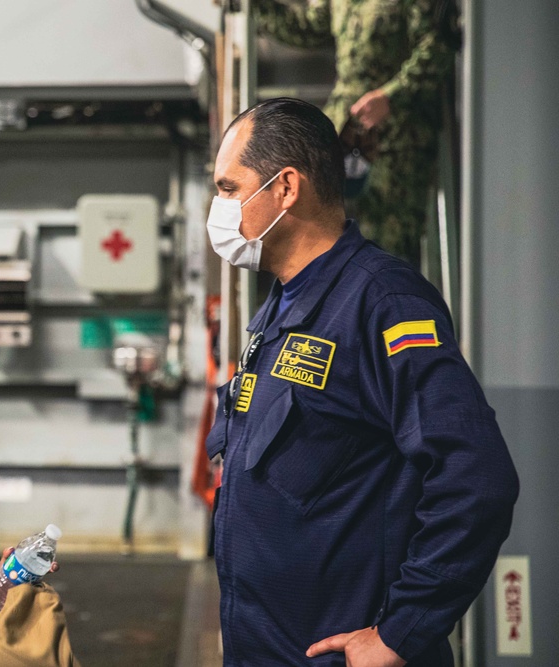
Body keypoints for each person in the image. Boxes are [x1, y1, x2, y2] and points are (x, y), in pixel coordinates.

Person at [204, 98, 518, 666]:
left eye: (229, 188)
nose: (219, 207)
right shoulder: (280, 308)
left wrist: (400, 632)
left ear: (286, 188)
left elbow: (477, 479)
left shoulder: (383, 302)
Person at [252, 0, 458, 267]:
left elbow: (438, 46)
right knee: (324, 241)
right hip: (342, 135)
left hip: (397, 139)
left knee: (389, 247)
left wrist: (391, 96)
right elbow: (307, 29)